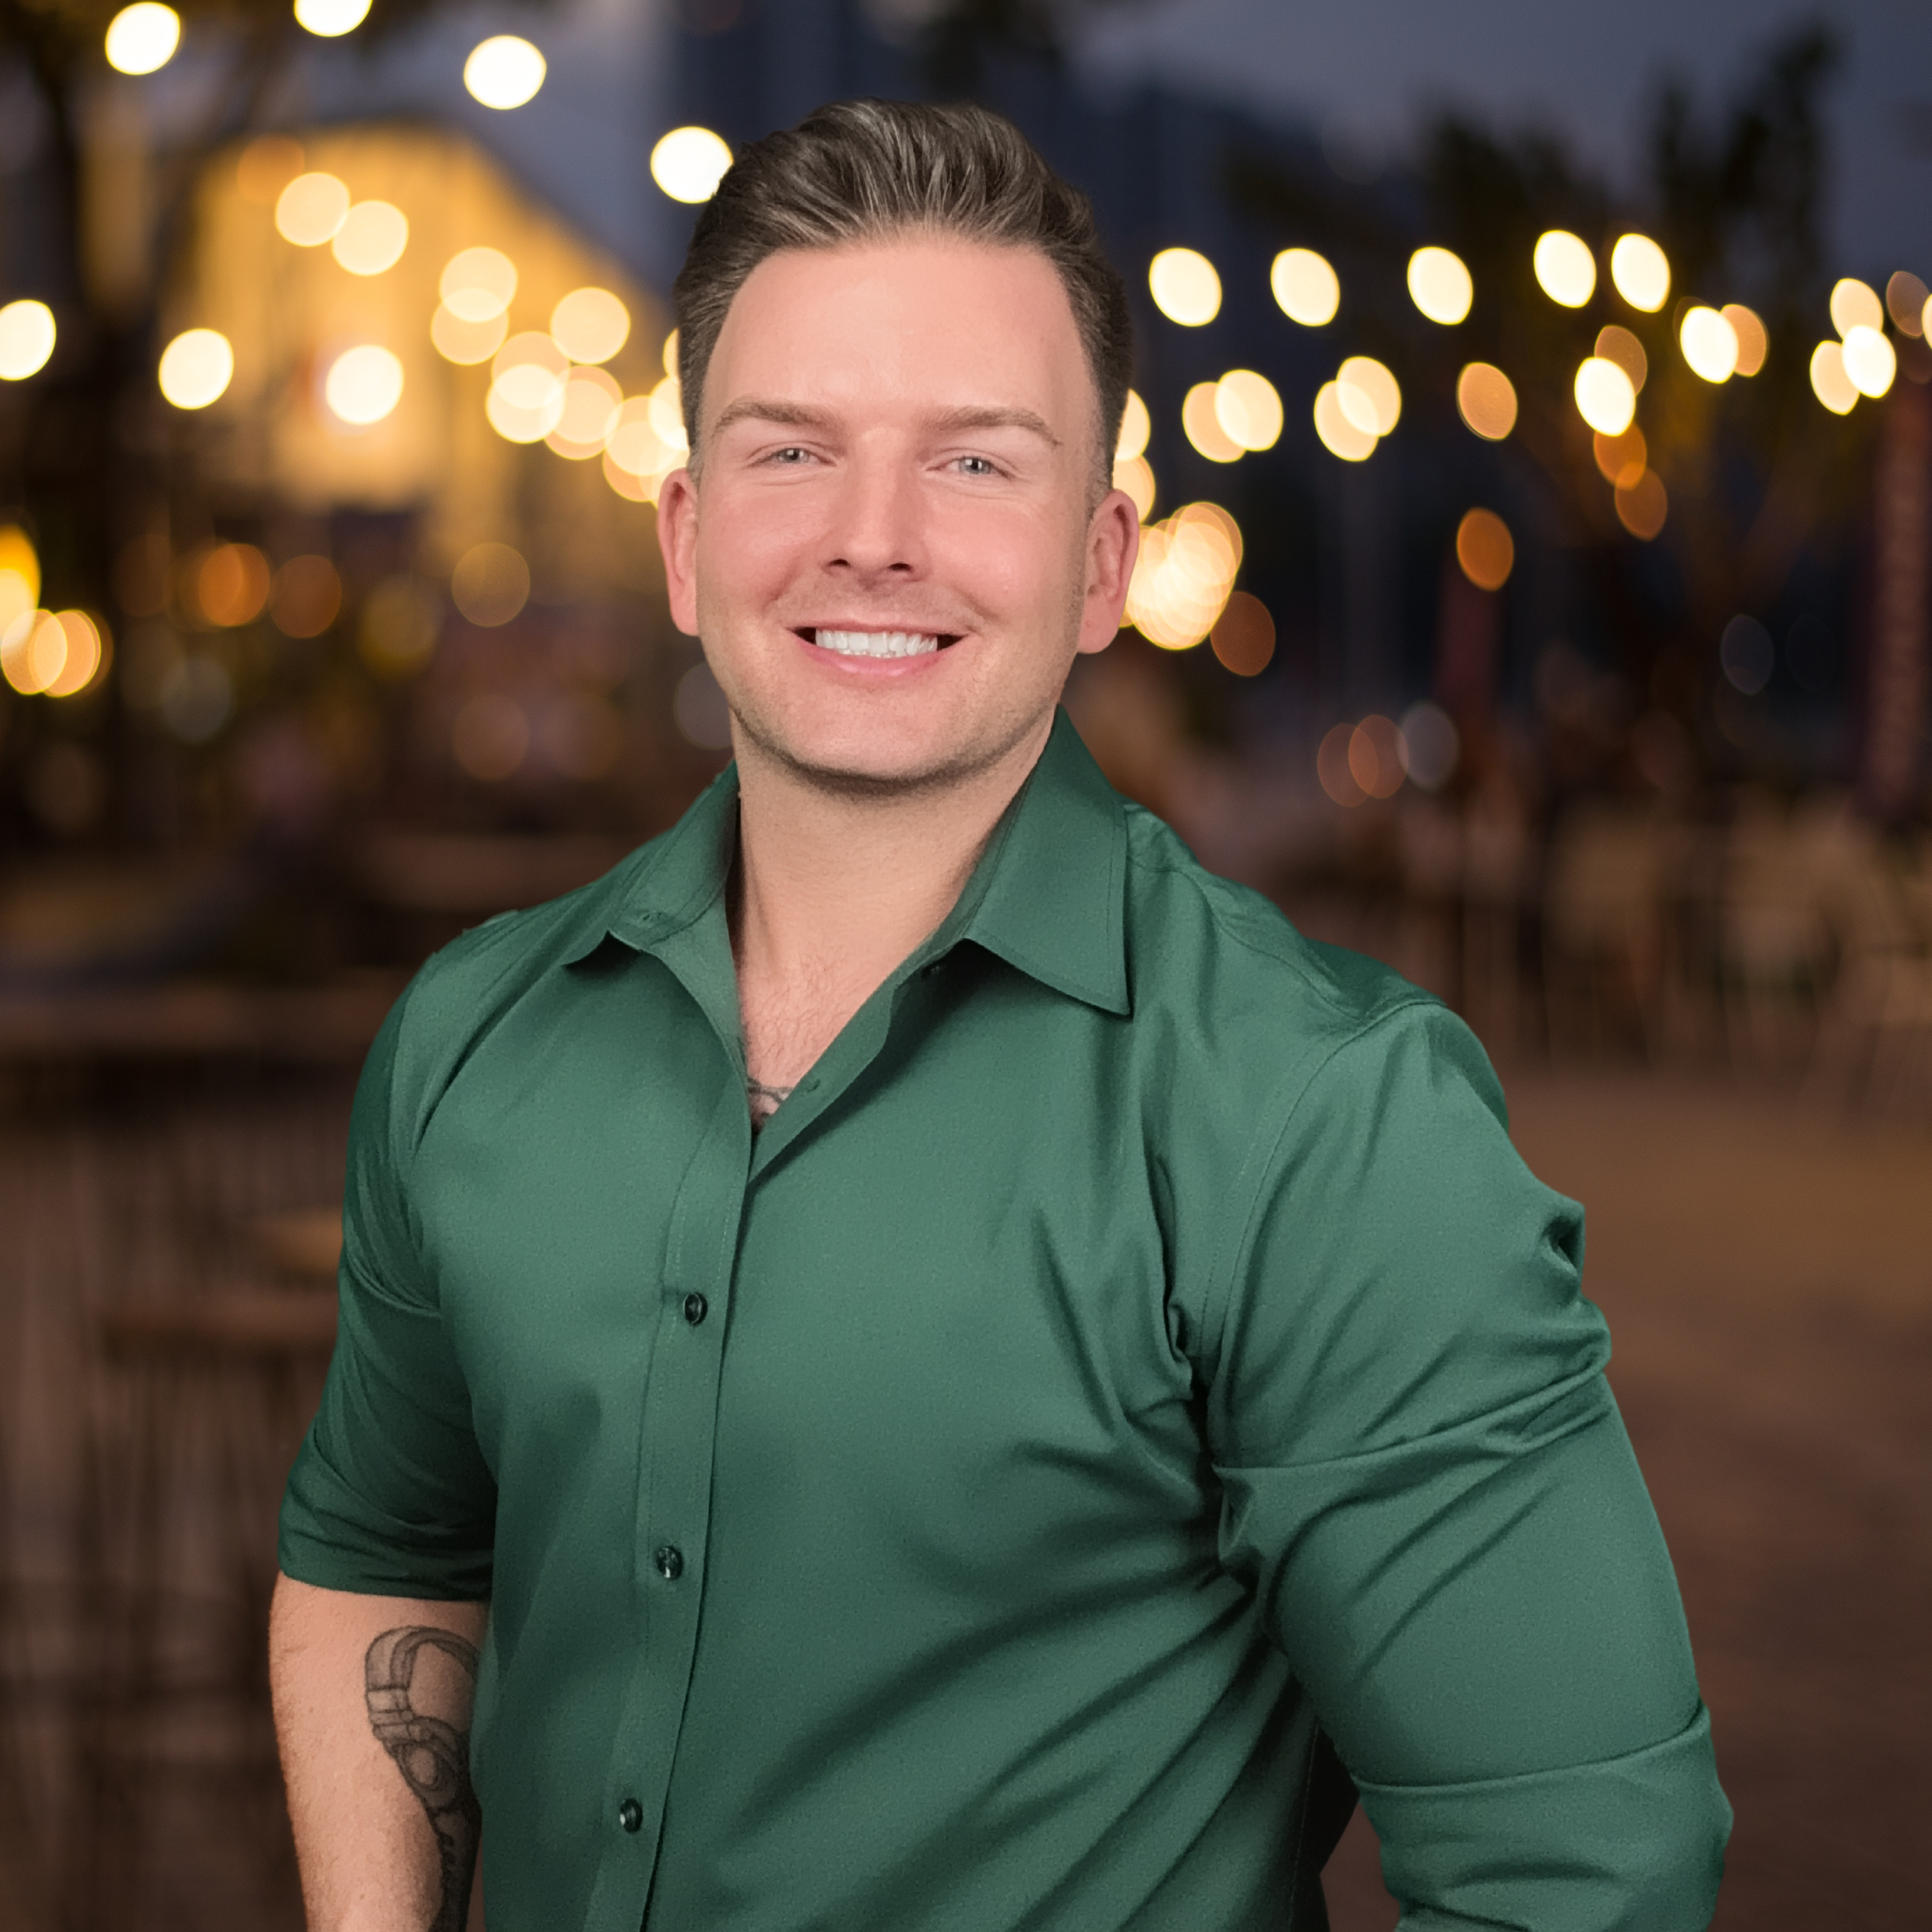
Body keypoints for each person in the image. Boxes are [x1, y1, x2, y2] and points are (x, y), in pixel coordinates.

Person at [270, 98, 1729, 1932]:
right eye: (795, 452)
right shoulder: (471, 1041)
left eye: (975, 465)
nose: (874, 540)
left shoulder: (1324, 1120)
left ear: (1104, 561)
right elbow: (383, 1555)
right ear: (685, 537)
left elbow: (1583, 1874)